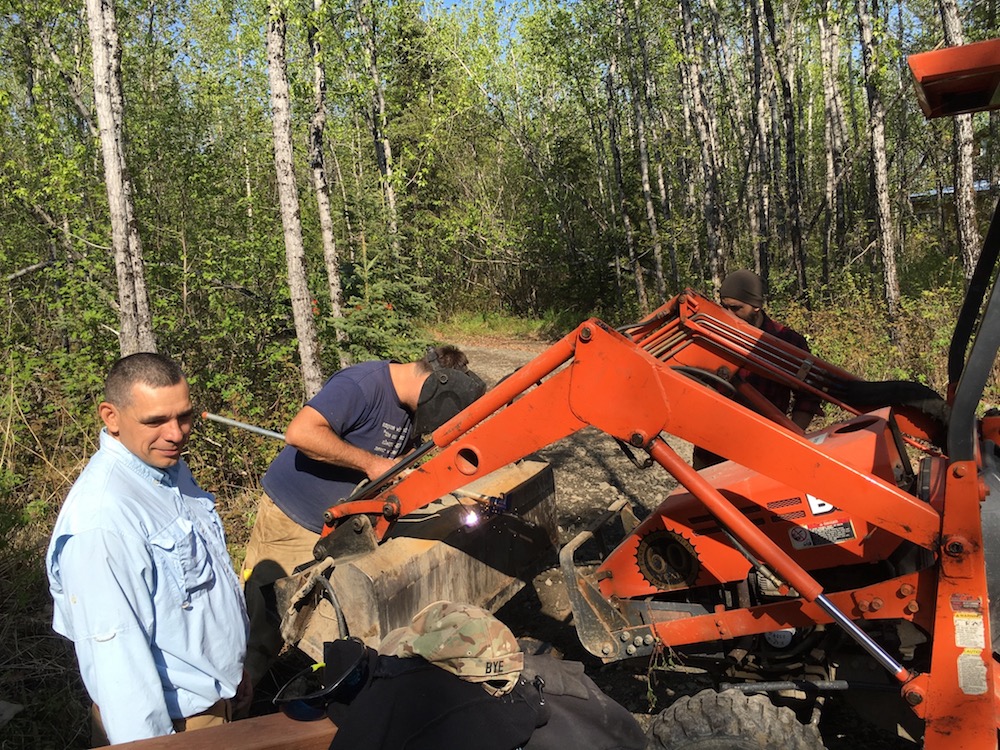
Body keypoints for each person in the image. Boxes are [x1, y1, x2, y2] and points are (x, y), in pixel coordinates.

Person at [243, 345, 486, 686]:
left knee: (318, 613)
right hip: (292, 518)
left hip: (340, 525)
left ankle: (309, 681)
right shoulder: (363, 384)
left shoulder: (411, 410)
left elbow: (398, 458)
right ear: (434, 385)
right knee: (266, 618)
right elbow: (300, 433)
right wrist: (373, 464)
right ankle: (239, 699)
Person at [45, 353, 251, 745]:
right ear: (111, 417)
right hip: (171, 728)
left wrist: (233, 671)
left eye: (184, 416)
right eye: (155, 421)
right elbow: (117, 664)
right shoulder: (103, 521)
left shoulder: (168, 470)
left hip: (215, 701)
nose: (176, 433)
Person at [692, 269, 823, 469]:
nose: (728, 314)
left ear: (756, 306)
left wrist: (792, 440)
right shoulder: (713, 335)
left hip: (765, 450)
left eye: (736, 308)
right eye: (724, 307)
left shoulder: (787, 342)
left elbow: (809, 396)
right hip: (713, 451)